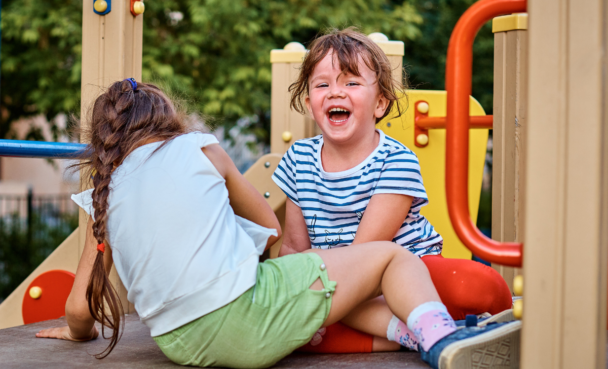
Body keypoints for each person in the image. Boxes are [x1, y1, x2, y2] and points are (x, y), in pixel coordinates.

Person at [36, 79, 519, 369]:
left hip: (178, 344)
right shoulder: (199, 147)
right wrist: (282, 272)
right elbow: (267, 224)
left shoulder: (104, 192)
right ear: (169, 119)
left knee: (320, 293)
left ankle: (409, 334)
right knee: (393, 258)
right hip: (245, 320)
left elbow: (80, 309)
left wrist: (75, 334)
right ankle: (442, 341)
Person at [272, 28, 513, 354]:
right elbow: (293, 250)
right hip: (340, 287)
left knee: (479, 287)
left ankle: (400, 324)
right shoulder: (299, 160)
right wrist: (298, 294)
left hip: (409, 275)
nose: (334, 92)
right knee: (284, 320)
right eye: (322, 84)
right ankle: (421, 334)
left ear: (380, 104)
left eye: (351, 82)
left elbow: (366, 254)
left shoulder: (396, 160)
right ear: (308, 102)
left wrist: (318, 305)